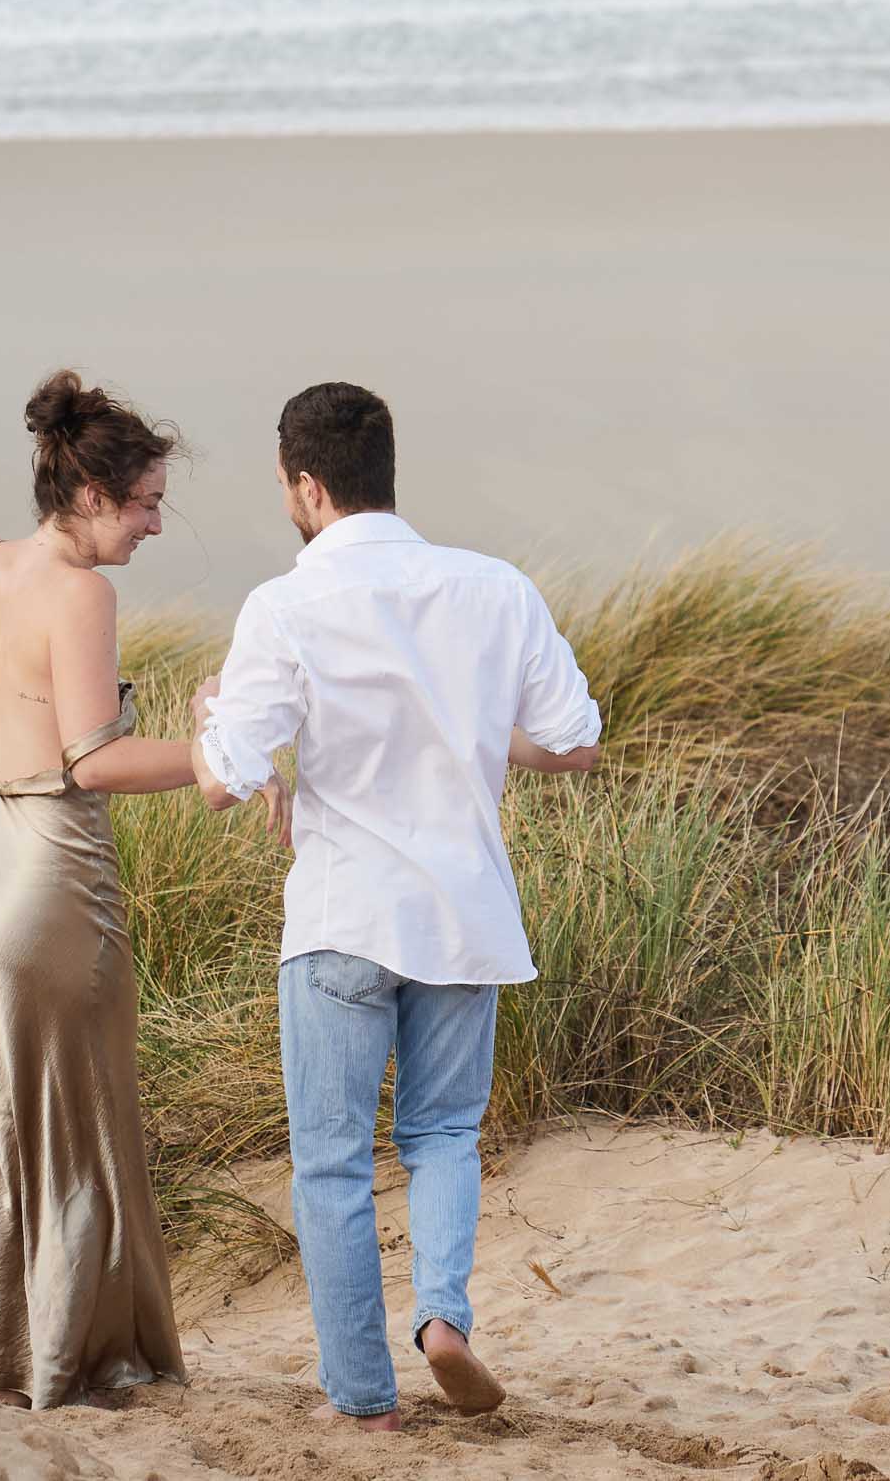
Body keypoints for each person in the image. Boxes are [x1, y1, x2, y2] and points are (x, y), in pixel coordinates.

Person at [191, 380, 601, 1434]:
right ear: (385, 476)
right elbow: (572, 740)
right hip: (463, 917)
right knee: (444, 1135)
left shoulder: (284, 605)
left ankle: (366, 1403)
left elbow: (224, 776)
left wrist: (211, 728)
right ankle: (445, 1322)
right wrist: (464, 725)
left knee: (331, 1164)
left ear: (308, 486)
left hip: (343, 916)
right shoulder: (494, 588)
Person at [0, 370, 285, 1411]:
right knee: (85, 1131)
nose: (155, 524)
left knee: (23, 1130)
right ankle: (70, 1365)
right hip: (50, 881)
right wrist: (213, 759)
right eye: (147, 501)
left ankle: (1, 1358)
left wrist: (12, 697)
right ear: (95, 495)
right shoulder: (82, 591)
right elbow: (95, 762)